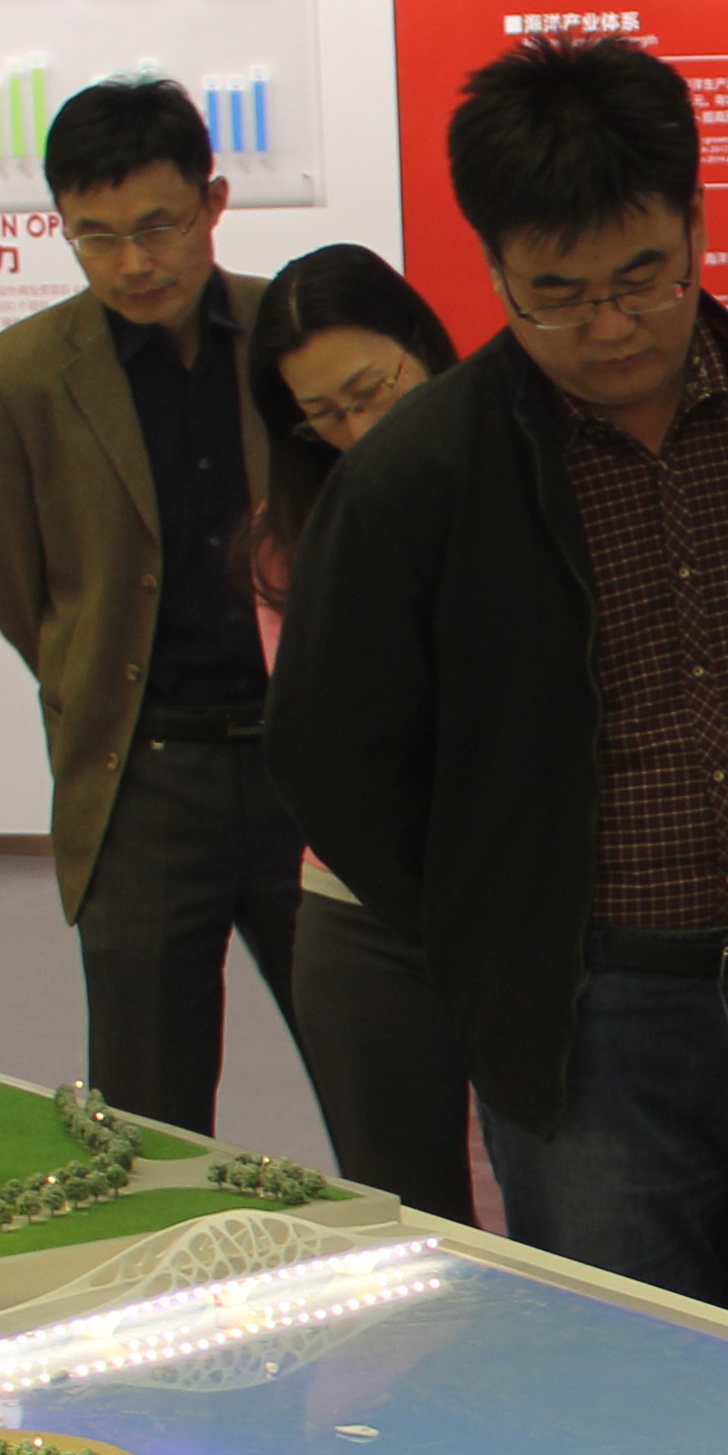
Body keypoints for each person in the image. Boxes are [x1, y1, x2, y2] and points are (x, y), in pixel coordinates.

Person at [269, 39, 728, 1349]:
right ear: (493, 268)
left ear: (696, 227)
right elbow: (332, 757)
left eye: (643, 280)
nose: (611, 329)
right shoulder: (419, 476)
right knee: (634, 1388)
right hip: (593, 1024)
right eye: (557, 296)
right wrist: (491, 930)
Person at [0, 76, 298, 1133]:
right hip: (143, 776)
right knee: (149, 1112)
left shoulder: (296, 334)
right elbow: (23, 590)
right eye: (95, 237)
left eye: (157, 227)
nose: (133, 263)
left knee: (384, 1066)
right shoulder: (8, 384)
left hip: (310, 763)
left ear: (213, 202)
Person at [237, 245, 475, 1222]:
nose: (359, 430)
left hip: (535, 908)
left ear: (422, 342)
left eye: (373, 392)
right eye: (324, 415)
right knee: (411, 1220)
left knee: (578, 1226)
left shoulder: (526, 482)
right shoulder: (290, 540)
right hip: (368, 908)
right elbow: (335, 754)